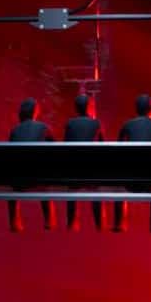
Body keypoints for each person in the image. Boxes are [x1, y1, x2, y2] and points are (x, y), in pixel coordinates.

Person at [115, 93, 151, 233]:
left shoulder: (126, 125)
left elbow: (116, 151)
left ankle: (119, 224)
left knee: (120, 189)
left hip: (130, 182)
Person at [8, 97, 55, 232]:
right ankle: (49, 220)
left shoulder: (15, 130)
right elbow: (56, 149)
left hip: (18, 182)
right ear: (35, 112)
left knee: (15, 183)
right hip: (39, 180)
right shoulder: (44, 128)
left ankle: (14, 221)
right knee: (43, 179)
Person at [63, 93, 105, 231]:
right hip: (92, 175)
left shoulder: (69, 124)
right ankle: (99, 223)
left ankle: (72, 222)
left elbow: (66, 146)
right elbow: (104, 147)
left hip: (73, 175)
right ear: (89, 108)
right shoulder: (96, 123)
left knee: (72, 184)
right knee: (96, 186)